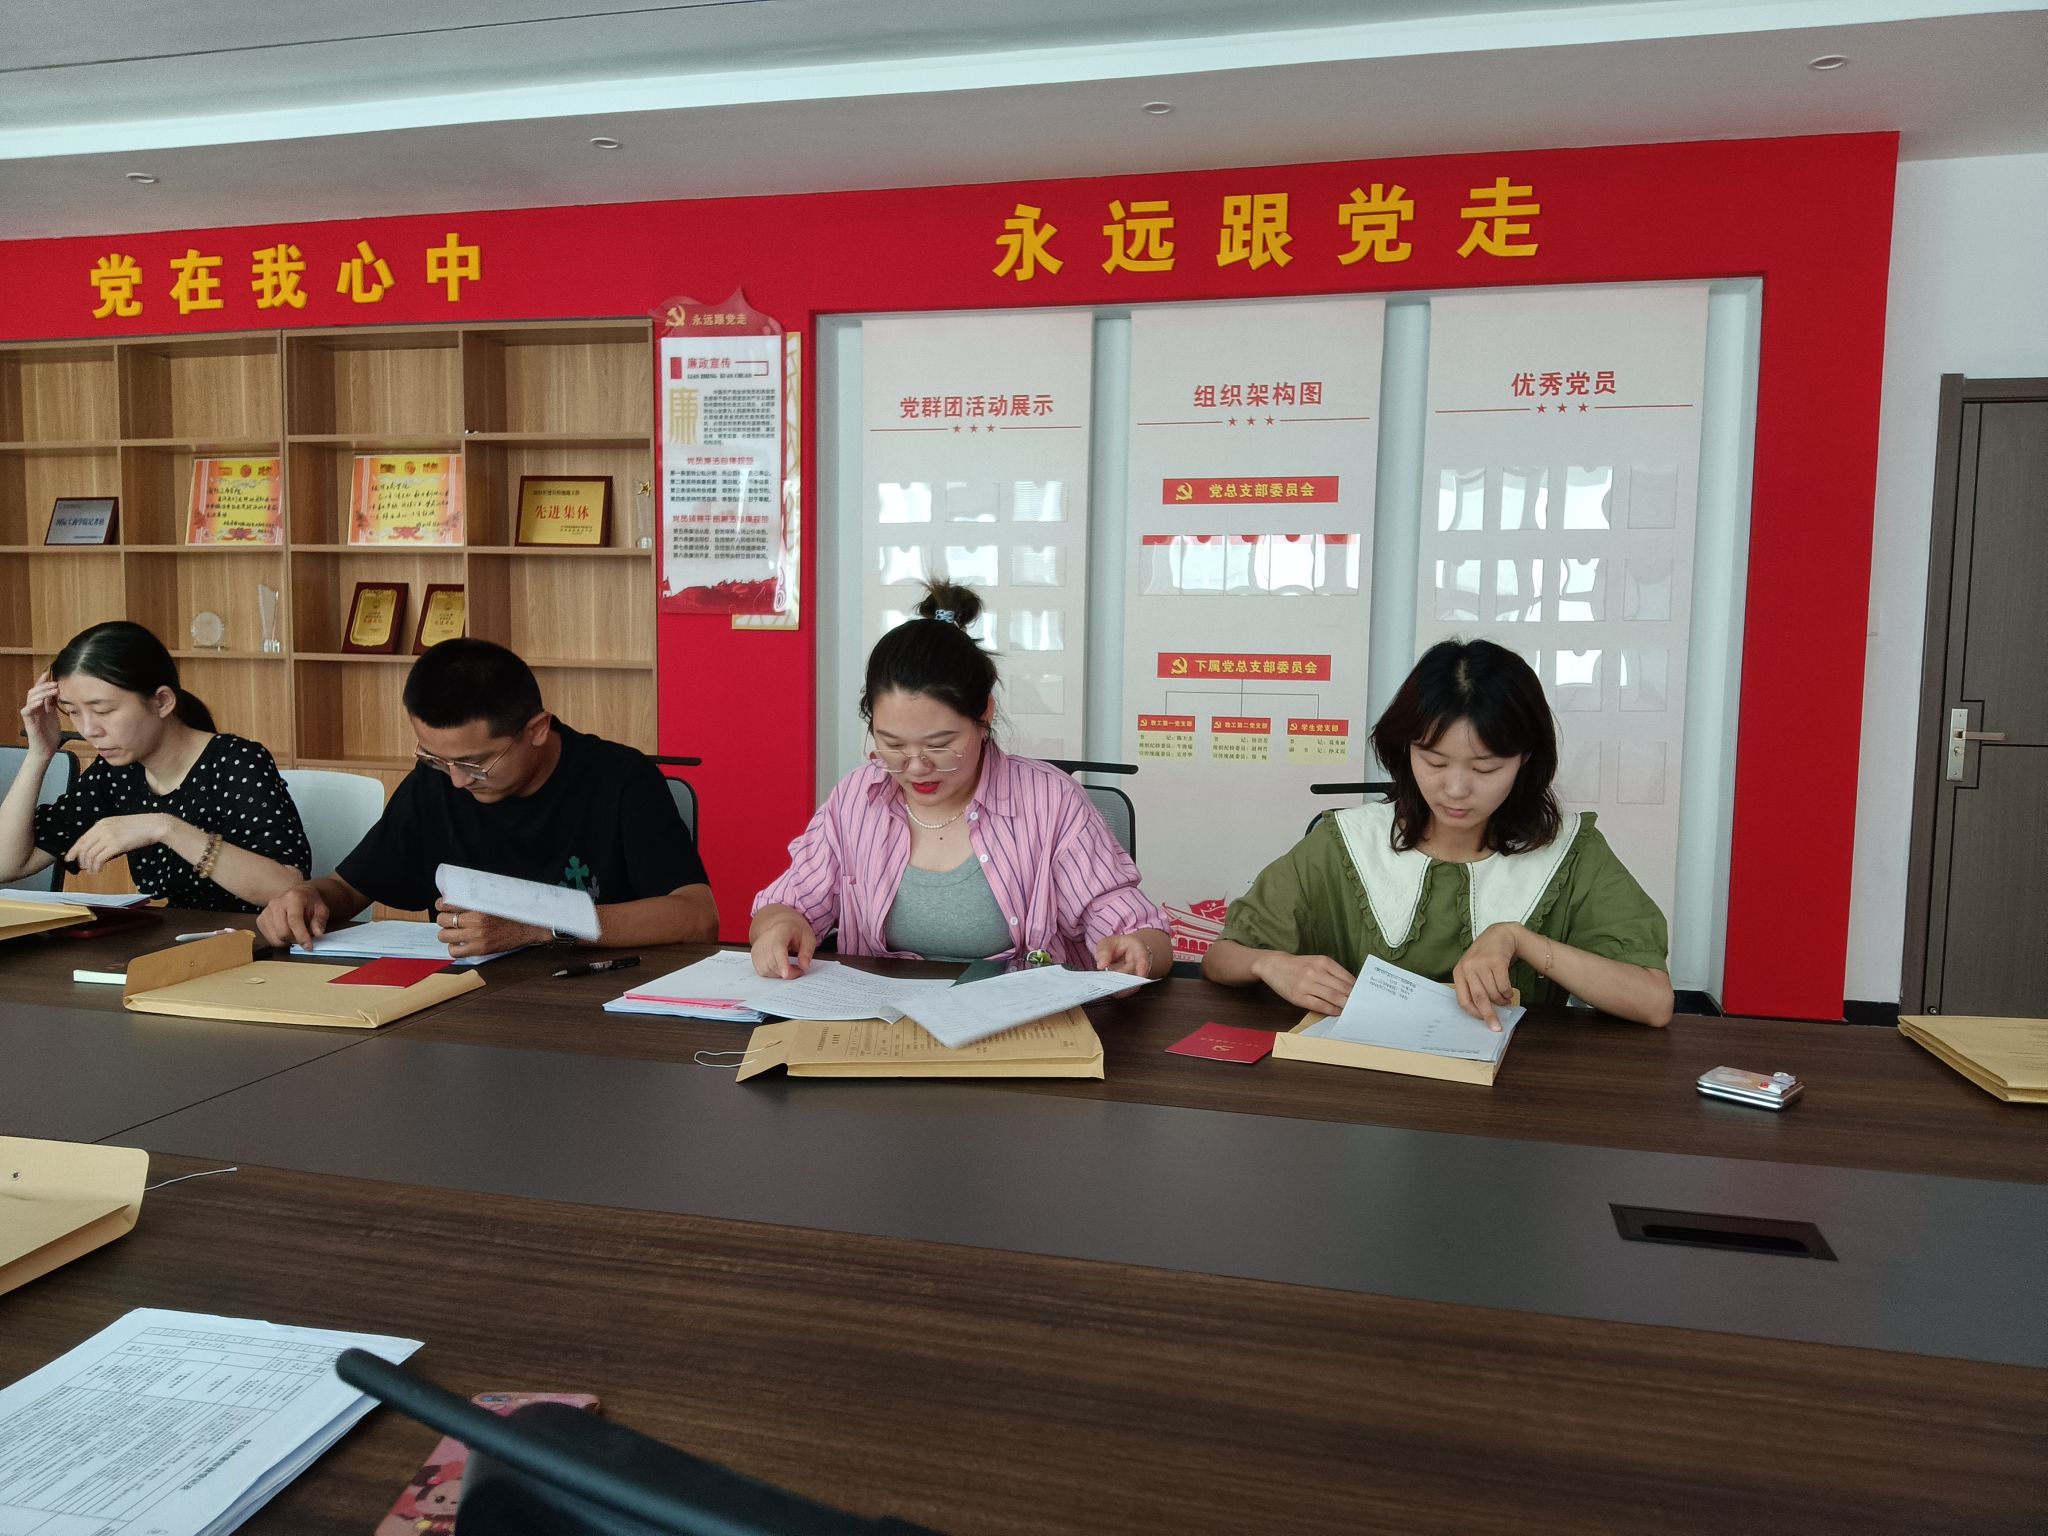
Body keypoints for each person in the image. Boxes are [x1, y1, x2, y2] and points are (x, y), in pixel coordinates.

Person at [1203, 638, 1673, 1027]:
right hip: (1366, 1089)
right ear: (1405, 749)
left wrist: (1521, 940)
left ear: (1525, 758)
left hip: (1514, 1092)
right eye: (1434, 761)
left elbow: (1653, 1002)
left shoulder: (1570, 852)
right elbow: (1222, 957)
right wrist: (1271, 964)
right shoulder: (1346, 843)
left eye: (1485, 768)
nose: (1456, 790)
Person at [750, 581, 1171, 979]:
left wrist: (1140, 951)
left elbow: (1136, 927)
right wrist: (780, 926)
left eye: (939, 745)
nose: (916, 767)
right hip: (882, 1022)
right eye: (892, 744)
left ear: (984, 714)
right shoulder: (857, 799)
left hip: (1018, 1022)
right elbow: (786, 903)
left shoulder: (1050, 801)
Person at [257, 639, 715, 955]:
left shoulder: (619, 780)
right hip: (466, 1004)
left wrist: (537, 928)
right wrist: (307, 898)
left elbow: (696, 917)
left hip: (594, 1001)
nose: (457, 781)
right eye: (436, 758)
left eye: (475, 763)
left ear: (537, 730)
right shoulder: (435, 780)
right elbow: (348, 887)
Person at [0, 621, 310, 911]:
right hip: (177, 942)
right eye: (73, 713)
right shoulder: (116, 773)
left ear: (162, 701)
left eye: (103, 710)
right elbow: (7, 865)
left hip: (253, 943)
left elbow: (288, 888)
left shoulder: (237, 761)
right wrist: (39, 753)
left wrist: (164, 828)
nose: (89, 730)